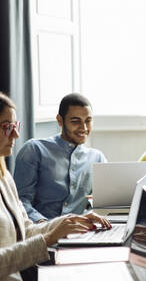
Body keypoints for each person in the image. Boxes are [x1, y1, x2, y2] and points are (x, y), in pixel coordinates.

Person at [0, 92, 111, 281]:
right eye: (7, 127)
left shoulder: (4, 177)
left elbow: (24, 228)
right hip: (36, 258)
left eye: (15, 126)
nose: (16, 134)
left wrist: (70, 221)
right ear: (60, 120)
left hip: (47, 248)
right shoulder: (34, 150)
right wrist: (50, 237)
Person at [14, 93, 106, 222]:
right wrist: (48, 226)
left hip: (80, 233)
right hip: (42, 232)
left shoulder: (97, 158)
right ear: (60, 120)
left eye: (88, 121)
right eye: (75, 121)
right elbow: (20, 201)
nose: (84, 128)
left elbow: (103, 204)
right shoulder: (34, 150)